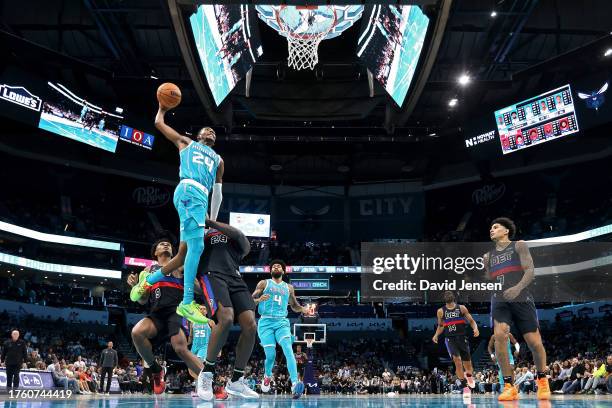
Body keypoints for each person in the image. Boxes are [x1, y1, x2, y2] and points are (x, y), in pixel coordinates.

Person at [133, 104, 224, 324]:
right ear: (198, 135)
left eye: (213, 131)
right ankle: (187, 302)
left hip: (200, 198)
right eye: (206, 130)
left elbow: (218, 192)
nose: (210, 131)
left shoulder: (219, 160)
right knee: (198, 247)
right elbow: (158, 124)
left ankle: (146, 282)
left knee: (183, 254)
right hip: (189, 190)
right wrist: (162, 108)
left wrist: (211, 220)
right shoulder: (186, 142)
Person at [128, 237, 219, 399]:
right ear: (155, 253)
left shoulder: (182, 266)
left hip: (176, 312)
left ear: (173, 252)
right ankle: (156, 370)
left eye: (169, 244)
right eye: (161, 244)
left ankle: (214, 385)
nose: (166, 245)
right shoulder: (147, 271)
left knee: (180, 348)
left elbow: (199, 290)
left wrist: (190, 277)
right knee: (136, 332)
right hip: (156, 314)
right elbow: (142, 300)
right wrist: (136, 287)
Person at [483, 217, 550, 401]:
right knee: (500, 336)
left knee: (534, 342)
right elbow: (489, 278)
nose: (491, 229)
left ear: (506, 231)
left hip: (521, 296)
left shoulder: (519, 245)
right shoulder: (488, 256)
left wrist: (517, 288)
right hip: (499, 300)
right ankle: (508, 385)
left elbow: (530, 271)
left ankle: (543, 380)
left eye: (495, 227)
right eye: (490, 227)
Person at [196, 218, 259, 400]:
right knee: (226, 319)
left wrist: (210, 222)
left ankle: (237, 380)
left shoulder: (236, 241)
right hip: (211, 274)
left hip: (235, 278)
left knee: (250, 325)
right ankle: (207, 372)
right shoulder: (202, 235)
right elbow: (188, 255)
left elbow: (240, 236)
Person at [252, 259, 308, 399]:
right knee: (270, 355)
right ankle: (267, 376)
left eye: (279, 266)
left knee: (288, 349)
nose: (276, 267)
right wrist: (259, 300)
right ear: (271, 271)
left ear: (283, 271)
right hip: (265, 322)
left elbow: (294, 306)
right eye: (273, 266)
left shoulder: (289, 287)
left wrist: (303, 309)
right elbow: (250, 300)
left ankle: (295, 384)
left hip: (282, 322)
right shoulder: (264, 283)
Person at [432, 291, 479, 397]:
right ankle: (465, 387)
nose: (448, 296)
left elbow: (471, 321)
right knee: (457, 361)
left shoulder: (461, 308)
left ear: (453, 297)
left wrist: (475, 328)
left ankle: (469, 376)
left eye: (450, 294)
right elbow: (441, 326)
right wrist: (436, 335)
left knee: (468, 365)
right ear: (444, 298)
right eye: (446, 294)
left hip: (462, 338)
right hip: (450, 339)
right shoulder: (440, 311)